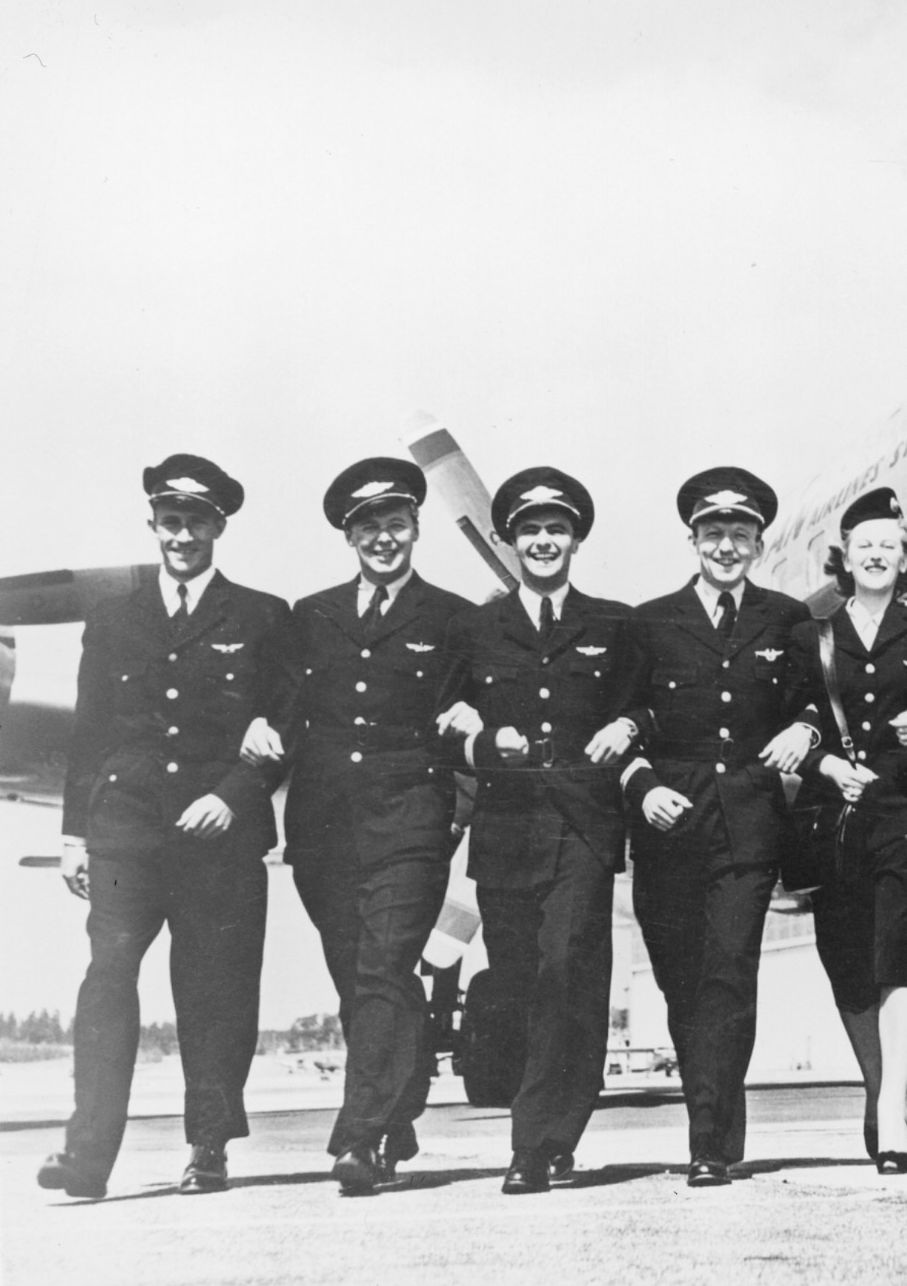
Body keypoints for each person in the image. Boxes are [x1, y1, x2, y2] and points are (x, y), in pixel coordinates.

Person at [38, 456, 292, 1200]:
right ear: (153, 524)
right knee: (106, 978)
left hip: (219, 832)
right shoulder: (114, 618)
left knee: (215, 990)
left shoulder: (263, 617)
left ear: (220, 527)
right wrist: (72, 833)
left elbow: (285, 724)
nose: (183, 534)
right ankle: (86, 1155)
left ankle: (208, 1147)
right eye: (171, 520)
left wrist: (237, 795)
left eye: (198, 521)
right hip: (124, 832)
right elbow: (89, 731)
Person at [247, 458, 472, 1193]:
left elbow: (481, 698)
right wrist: (257, 722)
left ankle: (360, 1136)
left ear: (415, 528)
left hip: (411, 815)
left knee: (381, 965)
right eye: (368, 526)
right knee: (360, 978)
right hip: (324, 823)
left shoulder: (454, 617)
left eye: (396, 523)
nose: (384, 537)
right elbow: (280, 701)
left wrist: (477, 713)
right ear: (350, 535)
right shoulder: (309, 616)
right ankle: (398, 1108)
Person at [433, 467, 647, 1193]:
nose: (545, 540)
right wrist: (476, 736)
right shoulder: (472, 628)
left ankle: (538, 1143)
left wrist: (630, 722)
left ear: (576, 538)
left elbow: (648, 704)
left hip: (583, 827)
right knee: (524, 980)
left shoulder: (615, 624)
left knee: (567, 971)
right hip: (506, 832)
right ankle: (552, 1129)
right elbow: (442, 721)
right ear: (508, 540)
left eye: (557, 528)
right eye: (530, 530)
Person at [619, 467, 816, 1187]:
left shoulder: (788, 618)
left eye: (740, 534)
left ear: (759, 541)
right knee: (683, 984)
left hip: (749, 823)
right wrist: (642, 788)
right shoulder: (648, 622)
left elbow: (815, 702)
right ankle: (714, 1120)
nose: (725, 546)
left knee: (729, 971)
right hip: (668, 824)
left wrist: (806, 729)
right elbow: (620, 725)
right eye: (712, 533)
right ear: (692, 538)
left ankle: (710, 1139)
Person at [788, 486, 907, 1175]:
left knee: (901, 945)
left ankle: (894, 1112)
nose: (879, 554)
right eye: (865, 546)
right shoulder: (810, 637)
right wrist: (826, 762)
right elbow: (796, 718)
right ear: (844, 559)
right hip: (834, 811)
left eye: (891, 544)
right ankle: (877, 1084)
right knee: (847, 958)